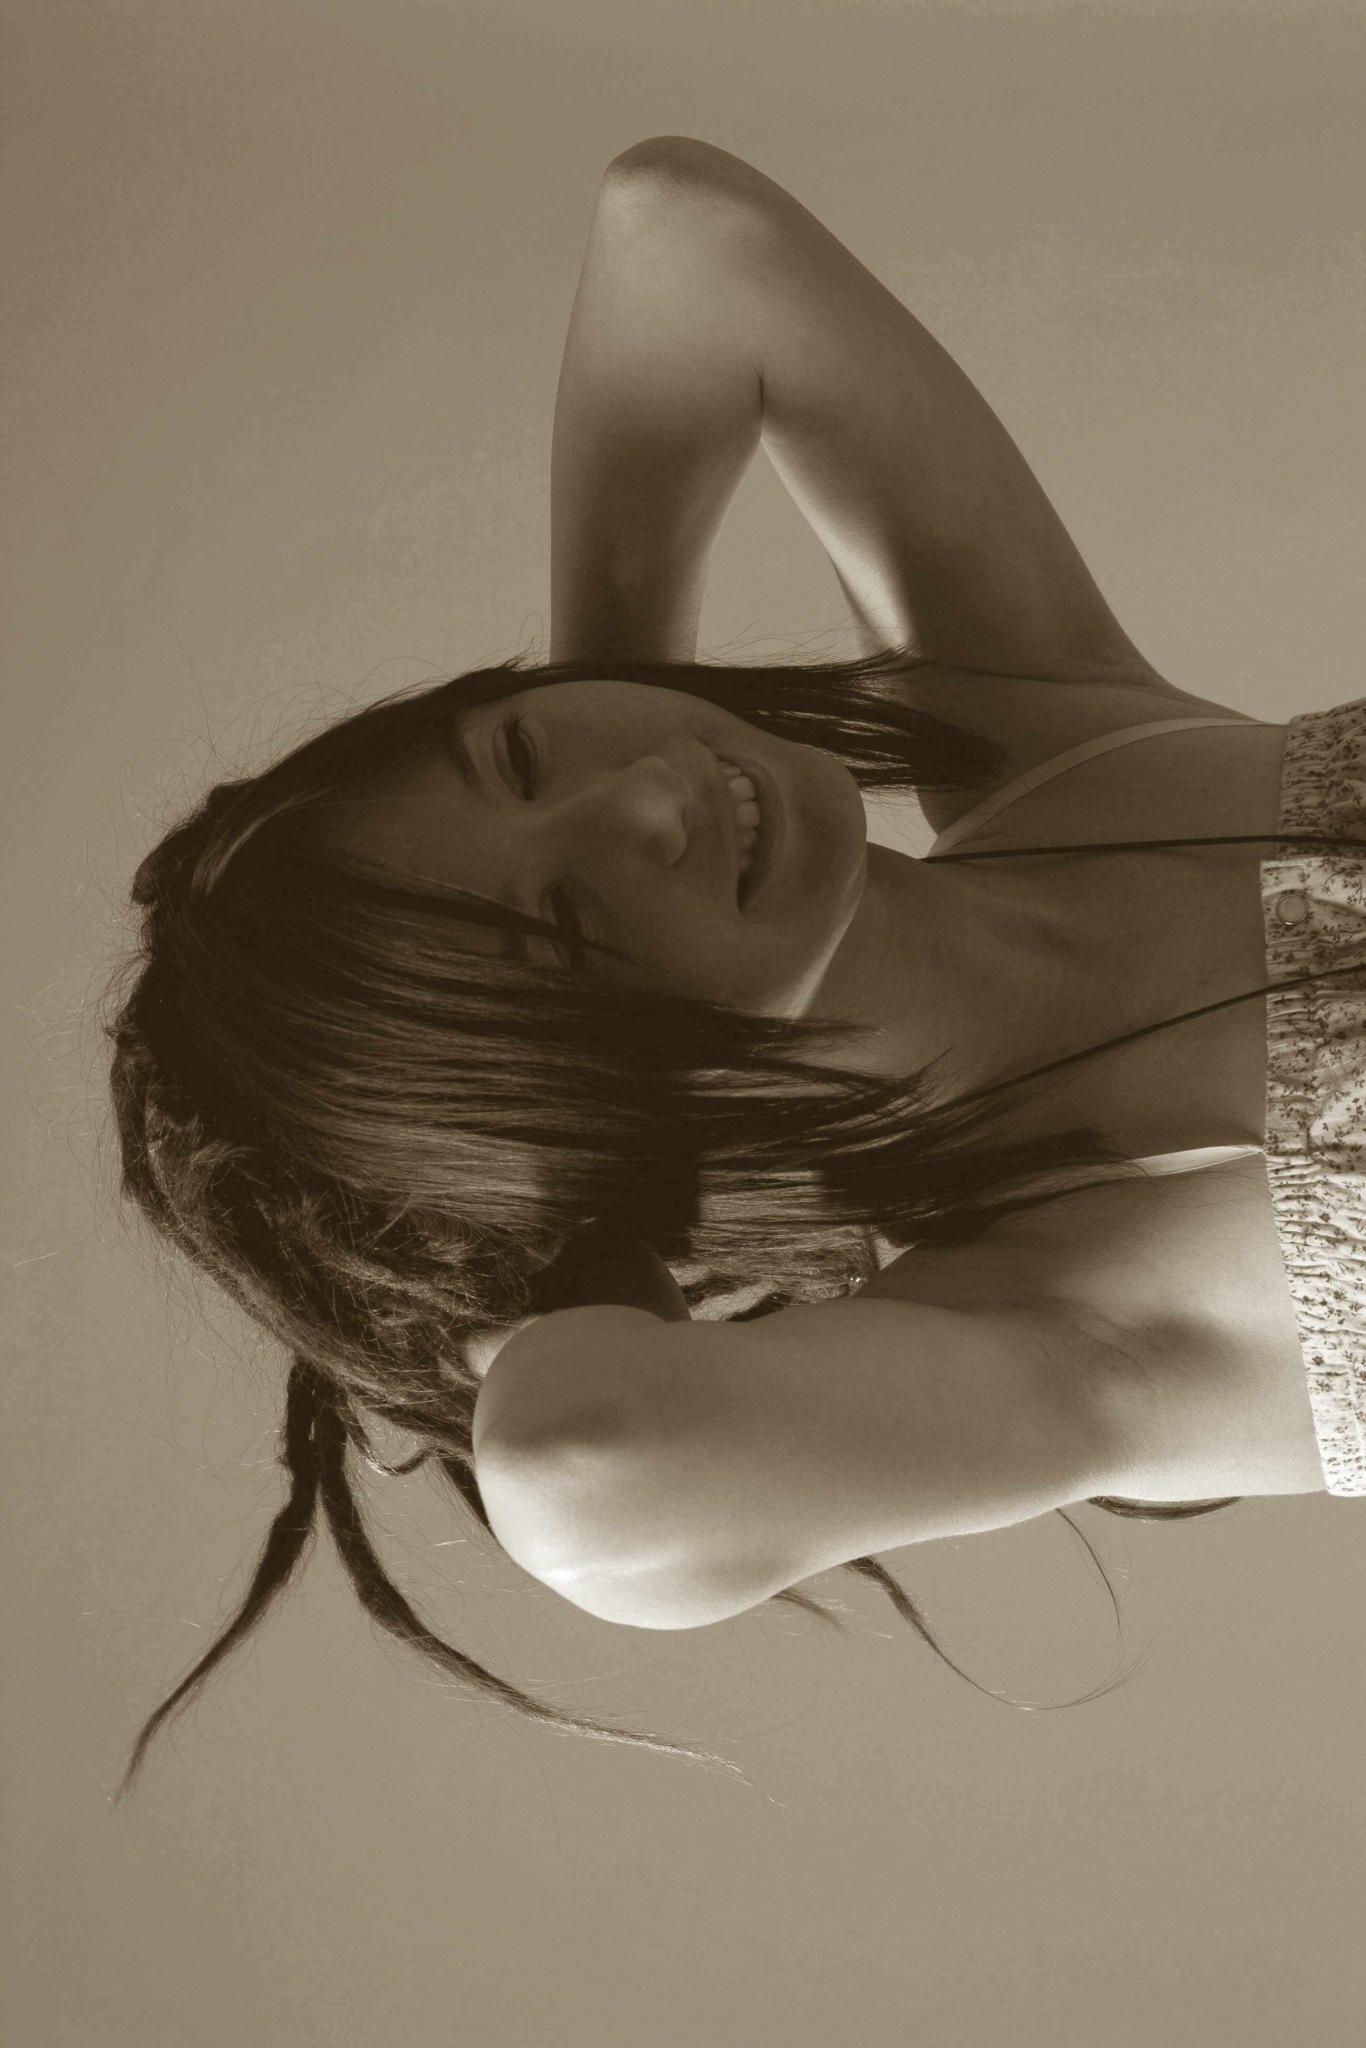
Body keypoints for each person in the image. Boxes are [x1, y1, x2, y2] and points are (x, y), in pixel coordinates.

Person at [109, 136, 1364, 1793]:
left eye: (517, 757)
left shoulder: (1062, 753)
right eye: (568, 929)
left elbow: (679, 234)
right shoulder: (1067, 1315)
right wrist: (598, 1220)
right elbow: (586, 1458)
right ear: (582, 1113)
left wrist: (626, 688)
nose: (644, 804)